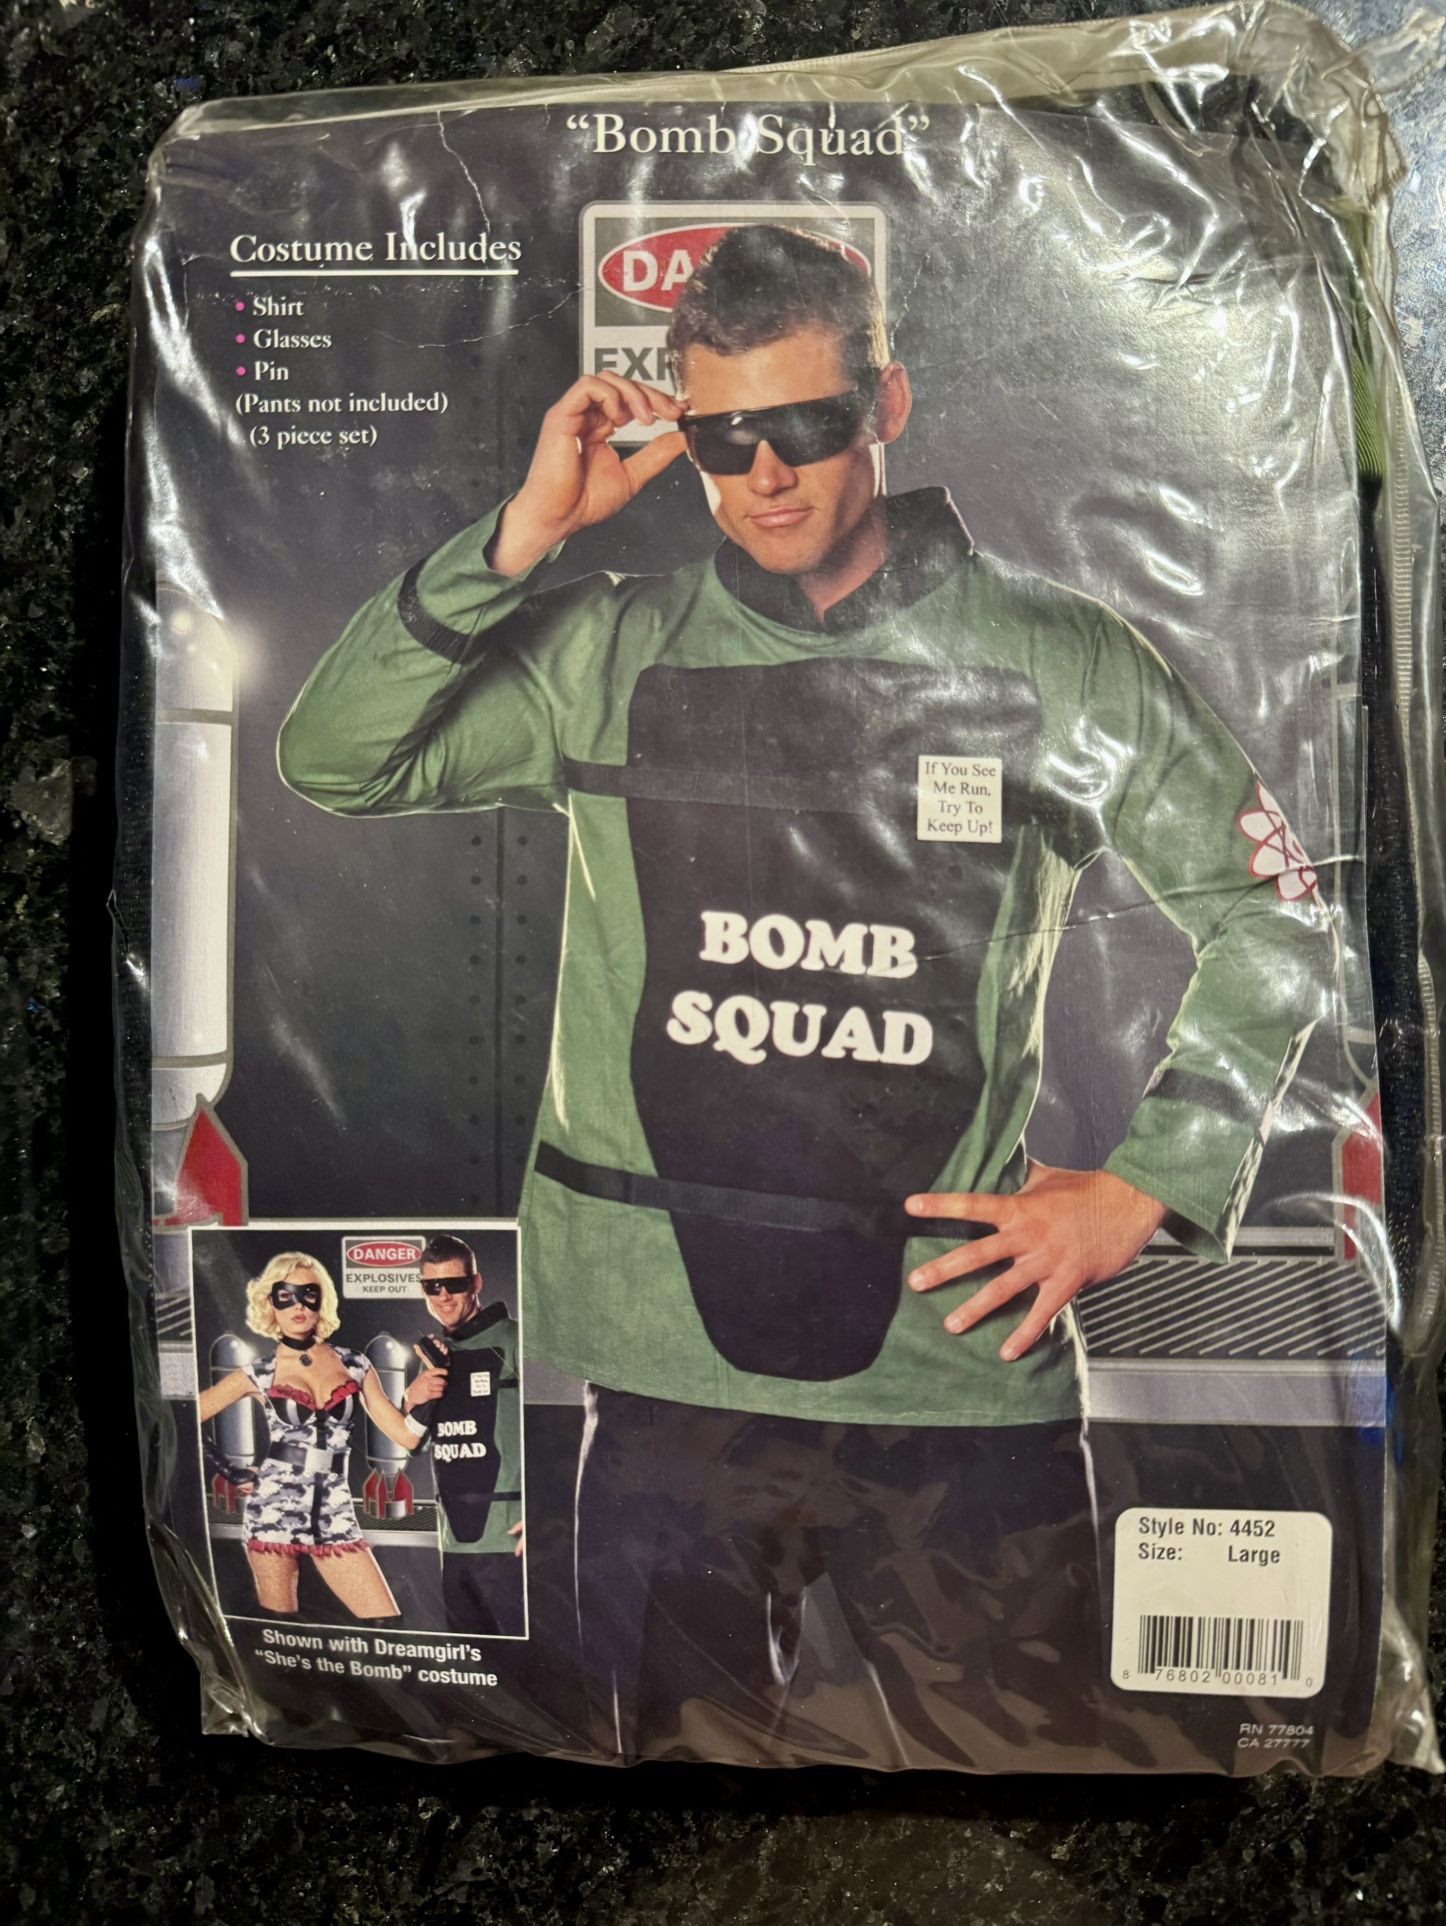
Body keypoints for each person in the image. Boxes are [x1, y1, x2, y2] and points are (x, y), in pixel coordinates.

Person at [277, 224, 1333, 1762]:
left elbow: (1272, 915)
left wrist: (1145, 1185)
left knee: (1044, 1806)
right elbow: (335, 758)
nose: (765, 472)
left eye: (807, 424)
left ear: (883, 405)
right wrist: (522, 534)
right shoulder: (607, 650)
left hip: (956, 1386)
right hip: (664, 1391)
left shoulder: (1062, 661)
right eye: (723, 438)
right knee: (660, 1822)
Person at [198, 1250, 420, 1621]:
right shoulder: (260, 1372)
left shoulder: (354, 1364)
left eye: (308, 1294)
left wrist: (424, 1398)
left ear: (322, 1300)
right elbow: (184, 1415)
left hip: (334, 1507)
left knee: (386, 1620)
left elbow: (405, 1436)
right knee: (280, 1626)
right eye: (286, 1296)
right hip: (273, 1506)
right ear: (271, 1303)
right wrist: (228, 1470)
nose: (298, 1306)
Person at [400, 1234, 525, 1636]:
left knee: (522, 1665)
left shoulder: (516, 1340)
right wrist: (412, 1398)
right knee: (472, 1663)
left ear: (476, 1283)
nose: (443, 1296)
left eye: (454, 1284)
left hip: (511, 1545)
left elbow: (561, 1424)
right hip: (454, 1546)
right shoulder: (431, 1357)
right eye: (432, 1286)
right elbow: (412, 1443)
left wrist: (547, 1512)